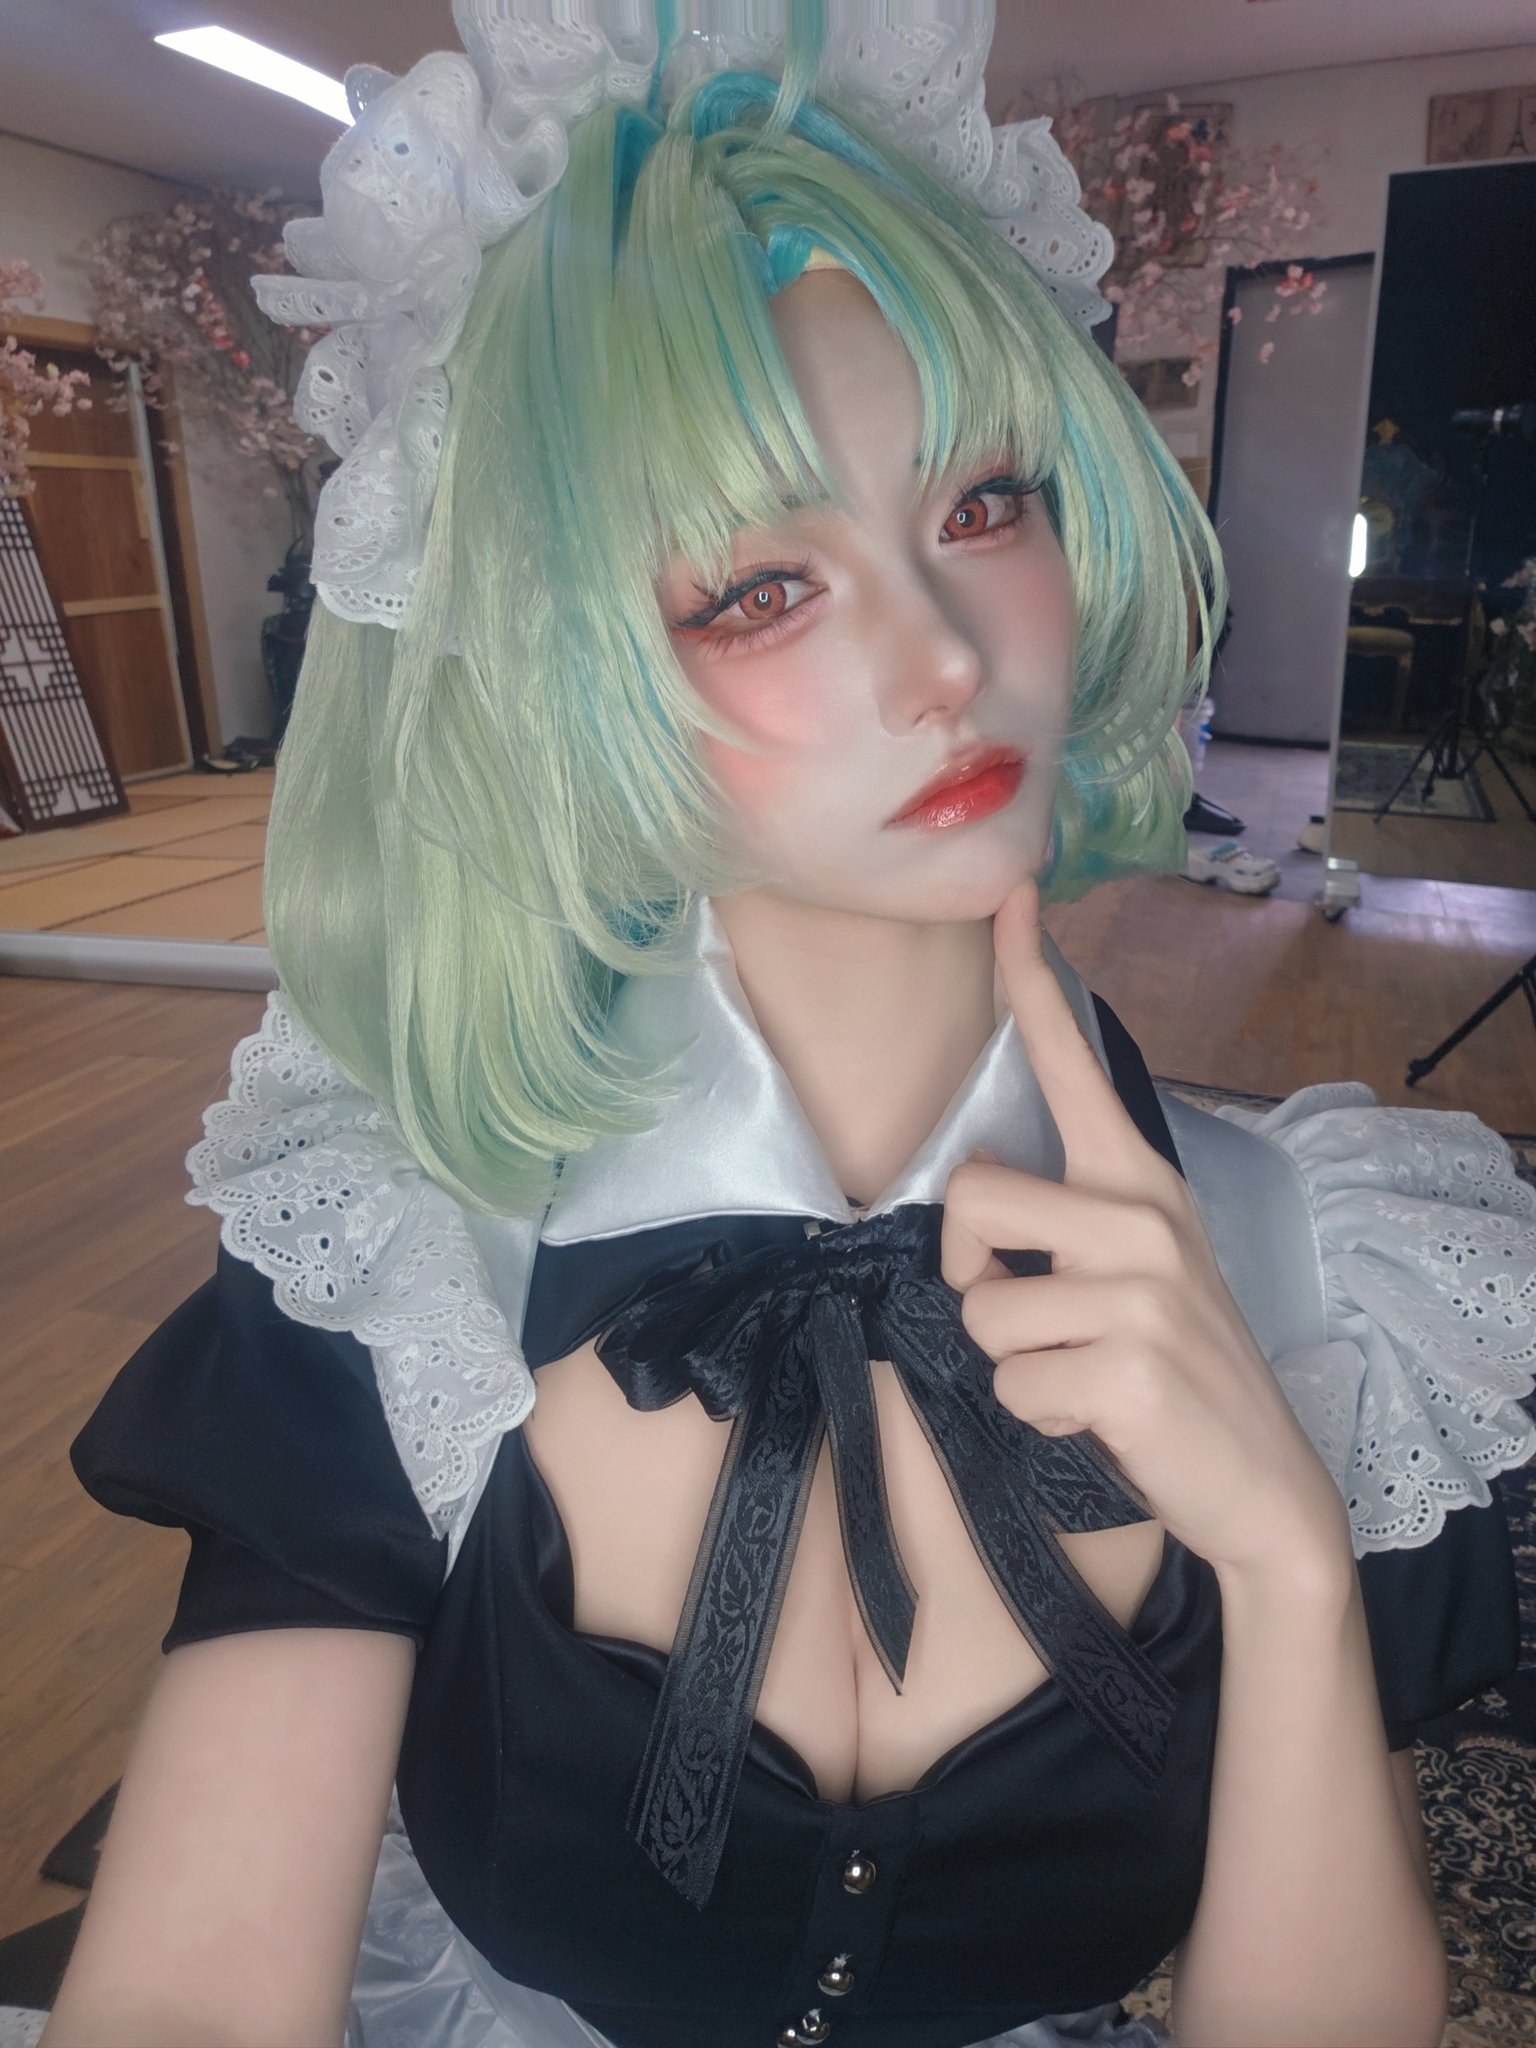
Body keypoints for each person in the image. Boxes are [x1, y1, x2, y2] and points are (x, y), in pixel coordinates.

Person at [38, 8, 1533, 2046]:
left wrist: (1284, 1558)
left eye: (984, 505)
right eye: (755, 589)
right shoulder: (392, 1273)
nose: (944, 656)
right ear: (555, 670)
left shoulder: (1324, 1276)